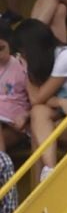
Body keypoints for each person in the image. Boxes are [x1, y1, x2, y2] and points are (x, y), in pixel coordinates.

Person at [16, 16, 67, 182]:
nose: (21, 56)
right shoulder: (50, 59)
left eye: (23, 52)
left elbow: (37, 97)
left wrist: (25, 70)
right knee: (38, 116)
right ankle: (48, 173)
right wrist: (60, 102)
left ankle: (46, 181)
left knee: (39, 130)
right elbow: (40, 103)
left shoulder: (66, 57)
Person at [0, 19, 33, 166]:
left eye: (1, 48)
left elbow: (37, 100)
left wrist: (26, 116)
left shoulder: (22, 65)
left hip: (16, 125)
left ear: (10, 44)